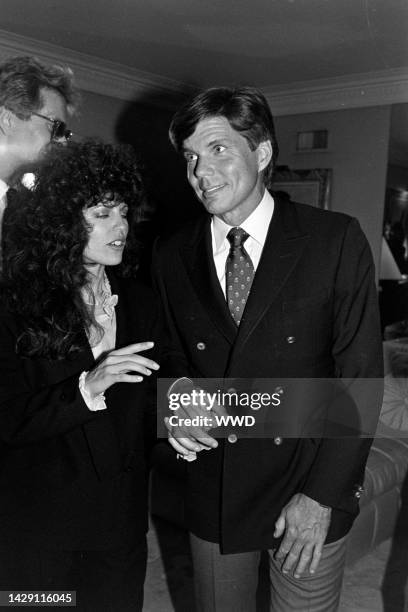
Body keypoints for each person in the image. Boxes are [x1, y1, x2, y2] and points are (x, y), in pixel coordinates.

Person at [152, 86, 383, 611]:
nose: (200, 172)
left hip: (308, 475)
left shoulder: (334, 239)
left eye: (217, 150)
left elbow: (360, 378)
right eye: (190, 157)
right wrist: (180, 403)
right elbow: (171, 353)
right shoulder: (171, 253)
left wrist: (322, 495)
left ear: (261, 153)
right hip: (217, 484)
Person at [0, 140, 160, 611]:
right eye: (102, 214)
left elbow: (148, 402)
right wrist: (86, 388)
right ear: (62, 221)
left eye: (124, 212)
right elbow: (5, 418)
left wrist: (182, 421)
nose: (121, 227)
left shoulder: (142, 301)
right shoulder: (13, 305)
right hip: (37, 533)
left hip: (120, 526)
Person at [0, 55, 77, 227]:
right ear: (8, 120)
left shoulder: (15, 207)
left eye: (65, 133)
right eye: (56, 127)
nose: (63, 142)